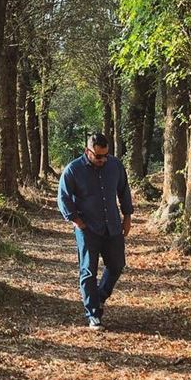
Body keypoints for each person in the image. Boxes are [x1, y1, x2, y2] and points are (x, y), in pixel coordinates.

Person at [57, 132, 133, 330]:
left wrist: (127, 216)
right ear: (87, 151)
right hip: (88, 228)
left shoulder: (115, 166)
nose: (103, 160)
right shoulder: (73, 170)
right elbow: (63, 197)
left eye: (106, 155)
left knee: (117, 265)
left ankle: (99, 296)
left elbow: (124, 190)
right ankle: (93, 313)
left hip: (113, 226)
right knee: (88, 270)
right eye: (98, 156)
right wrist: (76, 220)